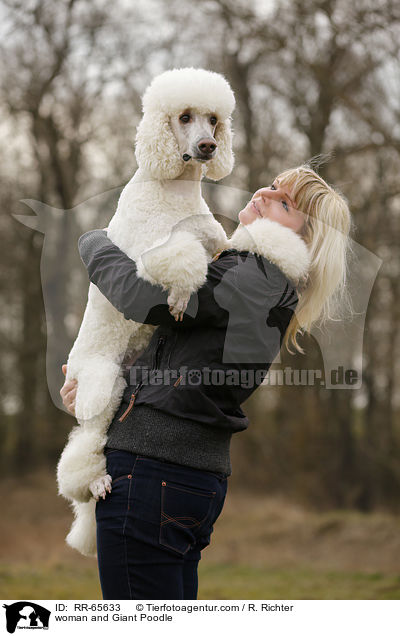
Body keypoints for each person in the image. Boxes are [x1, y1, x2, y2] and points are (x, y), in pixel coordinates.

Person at [60, 164, 353, 600]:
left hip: (152, 472)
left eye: (285, 203)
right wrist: (107, 384)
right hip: (183, 478)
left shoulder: (255, 276)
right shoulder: (262, 282)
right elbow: (187, 370)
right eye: (273, 186)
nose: (266, 194)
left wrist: (95, 242)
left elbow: (145, 299)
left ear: (305, 237)